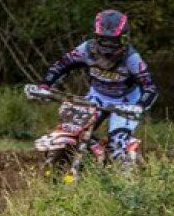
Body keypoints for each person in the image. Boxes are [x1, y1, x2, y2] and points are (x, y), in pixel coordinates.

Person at [38, 10, 158, 166]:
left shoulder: (131, 58)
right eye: (103, 40)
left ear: (124, 39)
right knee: (74, 129)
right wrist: (44, 85)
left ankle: (126, 174)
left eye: (113, 41)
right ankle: (86, 160)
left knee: (117, 146)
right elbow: (62, 65)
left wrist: (139, 106)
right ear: (96, 36)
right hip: (97, 96)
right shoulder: (86, 49)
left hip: (126, 102)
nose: (108, 46)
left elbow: (150, 87)